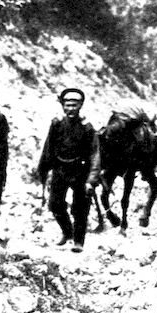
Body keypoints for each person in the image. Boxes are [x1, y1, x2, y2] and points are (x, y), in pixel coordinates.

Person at [36, 88, 100, 253]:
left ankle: (78, 241)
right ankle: (67, 232)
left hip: (80, 171)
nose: (71, 109)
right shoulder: (56, 124)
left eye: (74, 105)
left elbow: (95, 154)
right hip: (60, 169)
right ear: (63, 106)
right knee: (55, 205)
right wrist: (43, 170)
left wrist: (91, 180)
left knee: (80, 208)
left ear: (80, 106)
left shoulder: (87, 127)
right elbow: (48, 147)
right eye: (67, 105)